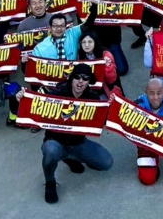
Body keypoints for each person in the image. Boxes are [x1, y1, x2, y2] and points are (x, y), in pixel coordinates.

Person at [16, 64, 113, 203]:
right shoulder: (57, 93)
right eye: (77, 77)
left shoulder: (93, 98)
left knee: (107, 162)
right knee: (51, 151)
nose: (80, 81)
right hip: (55, 142)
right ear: (71, 78)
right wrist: (22, 99)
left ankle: (70, 157)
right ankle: (50, 182)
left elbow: (102, 121)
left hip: (78, 143)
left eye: (85, 78)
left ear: (89, 82)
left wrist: (110, 107)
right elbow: (35, 105)